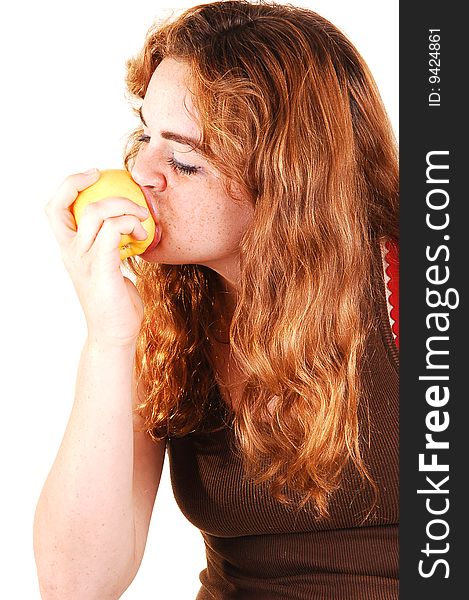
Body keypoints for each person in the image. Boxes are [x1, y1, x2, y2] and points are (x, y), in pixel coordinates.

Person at [34, 1, 399, 598]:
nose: (141, 170)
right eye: (144, 135)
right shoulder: (167, 314)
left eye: (183, 159)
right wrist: (109, 339)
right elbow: (75, 584)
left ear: (291, 180)